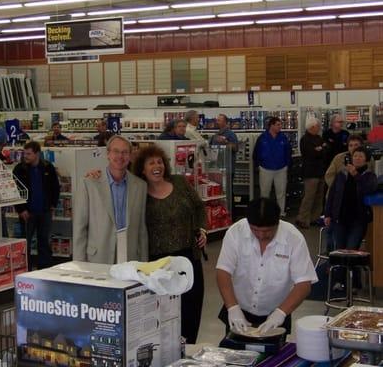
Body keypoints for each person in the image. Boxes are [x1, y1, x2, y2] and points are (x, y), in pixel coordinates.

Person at [133, 145, 207, 344]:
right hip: (158, 264)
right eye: (151, 163)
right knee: (163, 316)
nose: (157, 166)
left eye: (159, 162)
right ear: (142, 169)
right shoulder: (138, 192)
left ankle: (188, 351)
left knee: (191, 311)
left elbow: (199, 207)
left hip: (189, 260)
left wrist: (203, 230)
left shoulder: (180, 182)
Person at [216, 197, 317, 335]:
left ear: (278, 223)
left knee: (275, 355)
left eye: (267, 231)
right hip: (239, 310)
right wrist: (232, 308)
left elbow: (304, 283)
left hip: (277, 312)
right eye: (255, 230)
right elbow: (223, 271)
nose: (261, 236)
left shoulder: (293, 238)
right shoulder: (236, 232)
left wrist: (280, 313)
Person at [73, 135, 148, 264]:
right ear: (108, 154)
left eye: (125, 152)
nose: (120, 156)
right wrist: (79, 264)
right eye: (116, 151)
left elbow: (141, 229)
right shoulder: (89, 183)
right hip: (97, 257)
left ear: (130, 156)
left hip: (130, 257)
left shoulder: (140, 186)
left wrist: (144, 263)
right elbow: (80, 227)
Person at [13, 141, 60, 270]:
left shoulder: (47, 167)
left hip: (44, 211)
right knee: (25, 243)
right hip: (27, 213)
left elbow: (55, 187)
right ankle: (25, 269)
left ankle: (45, 269)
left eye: (28, 153)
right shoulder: (19, 169)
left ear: (37, 154)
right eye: (24, 153)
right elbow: (15, 190)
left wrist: (53, 204)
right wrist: (21, 209)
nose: (25, 156)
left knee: (44, 241)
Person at [324, 147, 378, 250]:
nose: (357, 158)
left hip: (358, 220)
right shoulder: (342, 174)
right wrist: (328, 214)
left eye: (361, 156)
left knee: (351, 249)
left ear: (366, 159)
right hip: (340, 218)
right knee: (340, 249)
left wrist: (356, 175)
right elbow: (332, 194)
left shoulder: (370, 176)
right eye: (355, 156)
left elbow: (369, 189)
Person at [253, 117, 292, 217]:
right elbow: (256, 153)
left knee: (281, 192)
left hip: (281, 168)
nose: (280, 127)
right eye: (278, 125)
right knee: (265, 193)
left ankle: (281, 213)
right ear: (272, 125)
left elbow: (288, 152)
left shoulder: (283, 137)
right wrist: (258, 165)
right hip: (266, 168)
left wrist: (287, 165)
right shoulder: (262, 138)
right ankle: (264, 213)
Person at [295, 117, 325, 229]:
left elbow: (325, 150)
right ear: (312, 127)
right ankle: (302, 218)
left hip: (320, 171)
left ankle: (315, 218)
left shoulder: (319, 138)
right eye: (318, 126)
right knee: (309, 196)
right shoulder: (305, 139)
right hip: (310, 172)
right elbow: (310, 153)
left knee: (319, 196)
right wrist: (320, 149)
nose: (319, 128)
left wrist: (320, 149)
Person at [210, 113, 238, 180]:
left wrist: (226, 142)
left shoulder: (231, 134)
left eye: (219, 120)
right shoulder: (215, 135)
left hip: (227, 169)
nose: (217, 122)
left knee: (228, 189)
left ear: (225, 122)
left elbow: (235, 148)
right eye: (217, 120)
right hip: (217, 168)